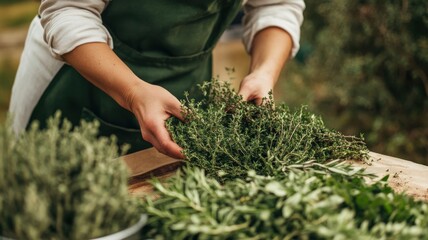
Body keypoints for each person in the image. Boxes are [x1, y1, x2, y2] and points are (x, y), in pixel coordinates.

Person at [9, 0, 305, 158]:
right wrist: (134, 92)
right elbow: (67, 12)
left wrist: (263, 72)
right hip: (78, 79)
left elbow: (276, 5)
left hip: (183, 85)